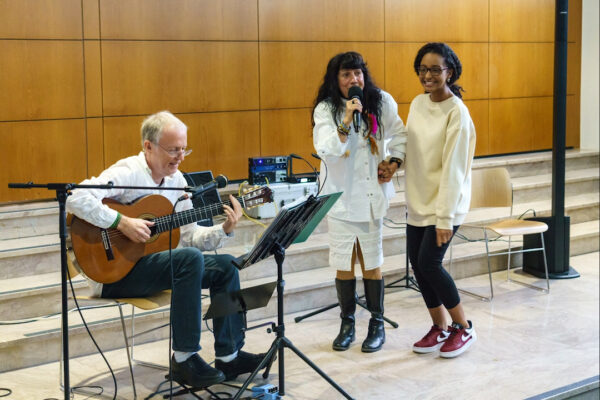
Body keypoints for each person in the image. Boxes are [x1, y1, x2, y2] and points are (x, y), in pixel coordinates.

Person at [66, 111, 266, 388]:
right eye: (173, 149)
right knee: (189, 260)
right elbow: (75, 197)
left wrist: (224, 230)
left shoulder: (177, 182)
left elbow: (191, 235)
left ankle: (228, 355)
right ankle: (184, 360)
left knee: (226, 266)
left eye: (184, 149)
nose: (180, 157)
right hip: (114, 274)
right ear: (148, 146)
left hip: (151, 266)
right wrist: (121, 222)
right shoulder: (127, 172)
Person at [312, 51, 407, 353]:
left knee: (371, 261)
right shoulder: (326, 109)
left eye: (358, 73)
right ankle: (347, 323)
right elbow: (326, 148)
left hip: (369, 197)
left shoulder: (381, 101)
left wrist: (393, 161)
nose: (354, 80)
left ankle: (377, 323)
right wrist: (346, 119)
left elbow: (401, 134)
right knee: (343, 263)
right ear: (335, 79)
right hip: (340, 198)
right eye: (346, 75)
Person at [404, 42, 477, 358]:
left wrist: (445, 218)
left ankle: (464, 327)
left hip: (445, 203)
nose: (428, 75)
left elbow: (454, 169)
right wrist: (392, 161)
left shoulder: (457, 113)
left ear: (450, 71)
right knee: (418, 267)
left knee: (430, 264)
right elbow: (411, 148)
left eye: (435, 69)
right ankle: (440, 327)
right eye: (423, 69)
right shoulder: (418, 104)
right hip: (419, 200)